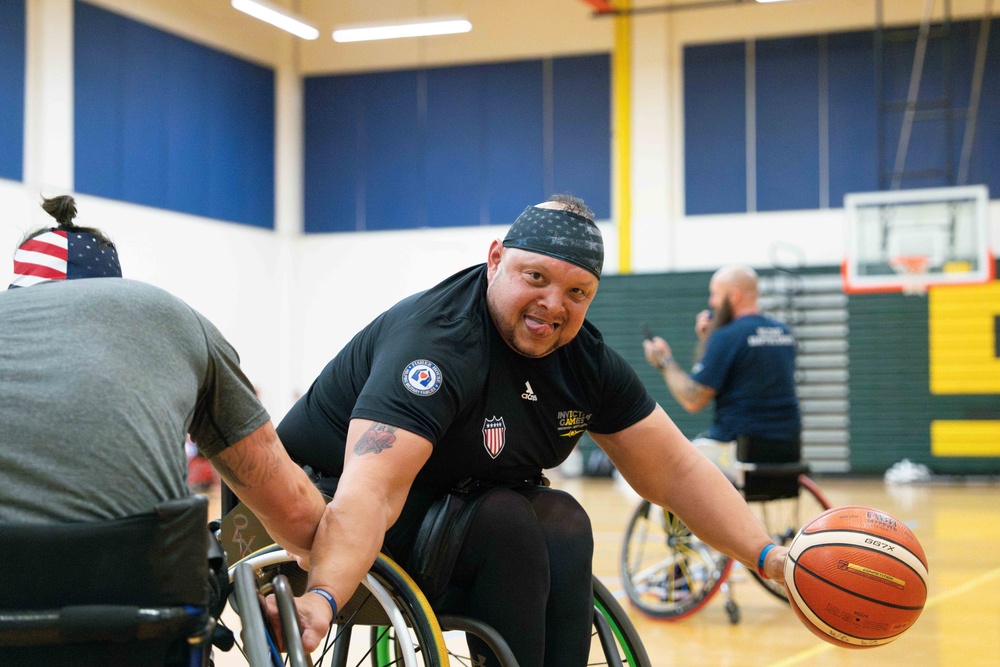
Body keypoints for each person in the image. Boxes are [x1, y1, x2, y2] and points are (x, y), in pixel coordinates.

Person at [277, 195, 791, 667]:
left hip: (447, 513)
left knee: (562, 517)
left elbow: (676, 471)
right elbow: (373, 488)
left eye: (577, 291)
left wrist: (770, 560)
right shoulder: (438, 343)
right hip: (313, 508)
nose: (553, 304)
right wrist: (323, 596)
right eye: (536, 277)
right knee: (505, 522)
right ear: (496, 259)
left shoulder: (585, 363)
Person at [0, 195, 340, 654]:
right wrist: (336, 560)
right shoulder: (169, 314)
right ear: (113, 284)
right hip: (141, 601)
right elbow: (294, 513)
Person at [642, 264, 801, 481]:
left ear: (734, 296)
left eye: (715, 294)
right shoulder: (783, 333)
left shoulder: (727, 336)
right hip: (788, 449)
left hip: (736, 450)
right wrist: (710, 341)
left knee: (660, 472)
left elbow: (693, 399)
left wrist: (664, 361)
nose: (711, 302)